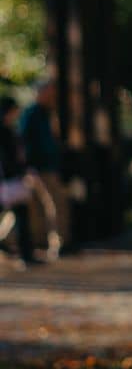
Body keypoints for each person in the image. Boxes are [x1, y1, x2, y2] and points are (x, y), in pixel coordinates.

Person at [18, 76, 68, 259]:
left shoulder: (47, 113)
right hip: (39, 167)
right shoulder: (31, 114)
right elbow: (23, 142)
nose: (53, 94)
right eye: (49, 90)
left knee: (37, 206)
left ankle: (10, 238)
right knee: (52, 204)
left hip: (46, 165)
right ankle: (57, 242)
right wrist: (29, 165)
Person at [0, 95, 36, 268]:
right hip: (8, 180)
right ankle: (24, 252)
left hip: (12, 180)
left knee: (21, 215)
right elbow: (9, 158)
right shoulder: (4, 131)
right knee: (20, 215)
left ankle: (26, 252)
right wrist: (19, 172)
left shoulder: (11, 129)